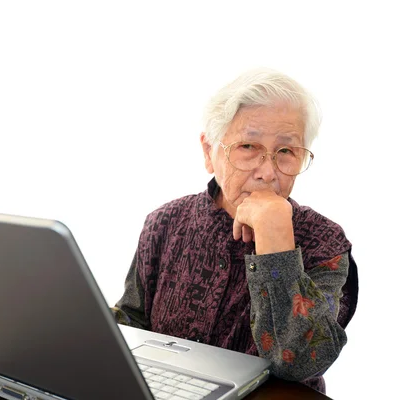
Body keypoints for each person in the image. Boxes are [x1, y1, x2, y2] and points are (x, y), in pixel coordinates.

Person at [111, 68, 358, 394]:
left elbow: (298, 362)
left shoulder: (324, 242)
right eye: (248, 147)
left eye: (286, 151)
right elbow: (132, 321)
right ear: (208, 151)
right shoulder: (165, 222)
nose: (268, 172)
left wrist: (276, 240)